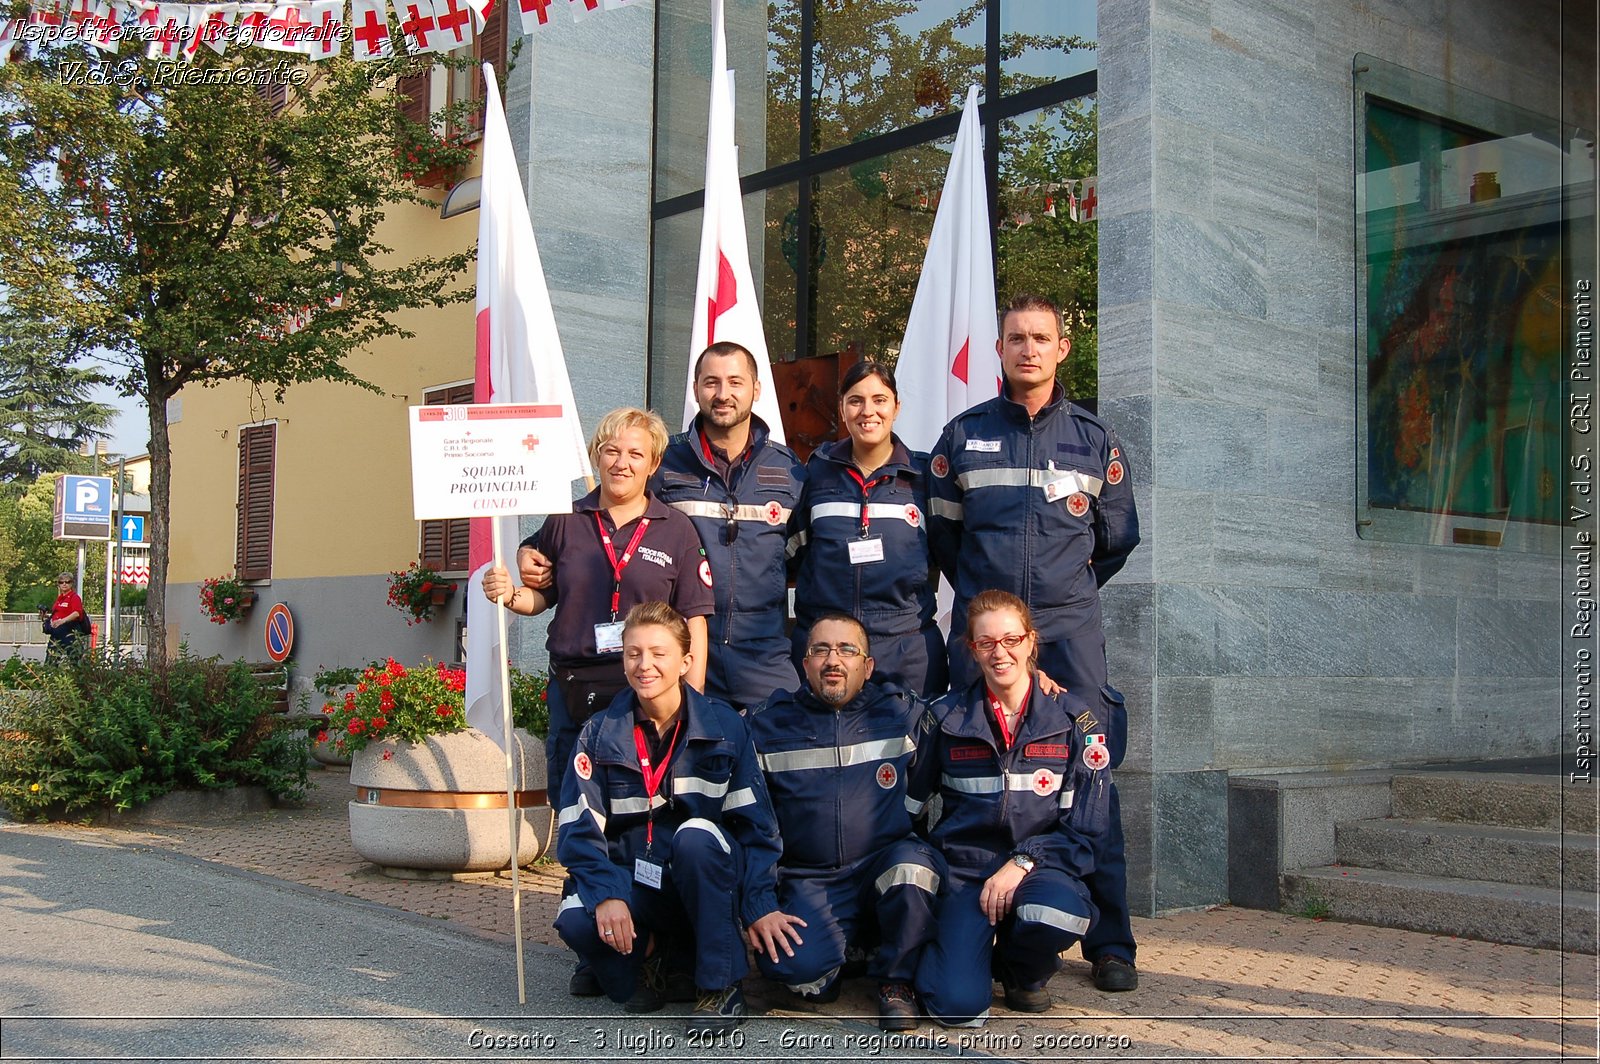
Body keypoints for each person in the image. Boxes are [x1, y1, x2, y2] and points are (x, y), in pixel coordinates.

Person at [926, 292, 1141, 992]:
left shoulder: (1094, 439)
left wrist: (1061, 600)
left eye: (1040, 338)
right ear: (1000, 349)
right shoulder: (963, 436)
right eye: (1015, 337)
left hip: (1069, 634)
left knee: (1090, 768)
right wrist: (991, 610)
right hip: (985, 635)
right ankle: (957, 921)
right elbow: (944, 537)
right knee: (967, 767)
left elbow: (1115, 540)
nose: (1027, 348)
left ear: (1061, 349)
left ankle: (1109, 944)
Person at [483, 407, 715, 851]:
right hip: (574, 689)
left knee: (642, 806)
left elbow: (694, 621)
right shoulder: (566, 521)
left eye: (634, 453)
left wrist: (692, 702)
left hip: (645, 694)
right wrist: (510, 594)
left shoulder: (677, 530)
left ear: (653, 464)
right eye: (611, 451)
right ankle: (582, 898)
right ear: (596, 456)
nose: (621, 463)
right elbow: (541, 598)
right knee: (575, 805)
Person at [553, 601, 782, 1036]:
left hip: (699, 881)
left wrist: (759, 903)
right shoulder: (598, 733)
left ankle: (720, 986)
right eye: (634, 653)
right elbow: (577, 831)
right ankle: (652, 955)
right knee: (576, 918)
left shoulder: (725, 728)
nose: (645, 665)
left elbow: (757, 829)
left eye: (659, 653)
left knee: (696, 835)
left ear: (686, 662)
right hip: (632, 882)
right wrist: (606, 894)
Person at [909, 591, 1112, 1027]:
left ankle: (1021, 972)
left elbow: (1087, 831)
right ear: (972, 649)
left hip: (1040, 869)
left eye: (1011, 640)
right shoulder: (943, 717)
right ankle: (952, 952)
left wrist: (1024, 860)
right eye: (986, 643)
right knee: (957, 1009)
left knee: (1059, 913)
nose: (1000, 653)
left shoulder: (1075, 721)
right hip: (966, 872)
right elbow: (910, 808)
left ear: (1031, 641)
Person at [745, 612, 944, 1031]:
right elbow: (753, 826)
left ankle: (896, 981)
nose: (833, 660)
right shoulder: (767, 724)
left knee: (914, 870)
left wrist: (1038, 684)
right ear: (805, 663)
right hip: (809, 879)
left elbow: (941, 749)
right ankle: (848, 951)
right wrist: (761, 903)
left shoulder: (900, 713)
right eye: (821, 649)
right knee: (793, 970)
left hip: (881, 863)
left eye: (847, 650)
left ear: (867, 666)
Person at [648, 341, 806, 709]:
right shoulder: (665, 464)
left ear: (756, 389)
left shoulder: (790, 471)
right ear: (695, 389)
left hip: (764, 654)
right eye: (711, 382)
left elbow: (804, 559)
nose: (723, 394)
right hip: (683, 650)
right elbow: (616, 512)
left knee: (778, 752)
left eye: (735, 382)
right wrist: (536, 545)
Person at [786, 362, 947, 696]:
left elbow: (946, 550)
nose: (868, 411)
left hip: (906, 650)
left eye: (879, 399)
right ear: (842, 407)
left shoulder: (923, 477)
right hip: (828, 649)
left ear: (896, 407)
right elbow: (794, 554)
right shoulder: (815, 474)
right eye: (856, 400)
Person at [43, 572, 88, 663]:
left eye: (67, 582)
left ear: (71, 584)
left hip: (70, 632)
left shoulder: (74, 597)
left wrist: (62, 621)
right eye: (61, 582)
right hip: (57, 633)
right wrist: (47, 617)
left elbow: (77, 613)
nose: (64, 584)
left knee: (76, 661)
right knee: (51, 661)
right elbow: (58, 613)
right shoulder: (59, 598)